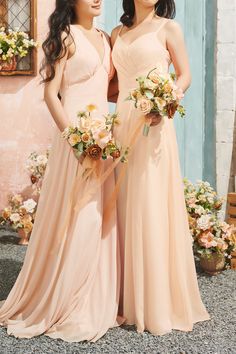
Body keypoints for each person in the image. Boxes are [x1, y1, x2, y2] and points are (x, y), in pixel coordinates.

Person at [0, 0, 122, 342]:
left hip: (101, 141)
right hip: (76, 141)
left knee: (100, 217)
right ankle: (64, 297)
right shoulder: (64, 37)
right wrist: (76, 140)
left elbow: (109, 89)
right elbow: (52, 95)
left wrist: (147, 97)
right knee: (78, 216)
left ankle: (93, 295)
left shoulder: (104, 38)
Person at [110, 0, 210, 335]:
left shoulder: (169, 28)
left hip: (153, 126)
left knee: (149, 204)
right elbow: (113, 86)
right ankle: (121, 295)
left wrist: (165, 101)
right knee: (123, 203)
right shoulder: (117, 32)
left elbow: (185, 75)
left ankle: (154, 301)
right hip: (121, 126)